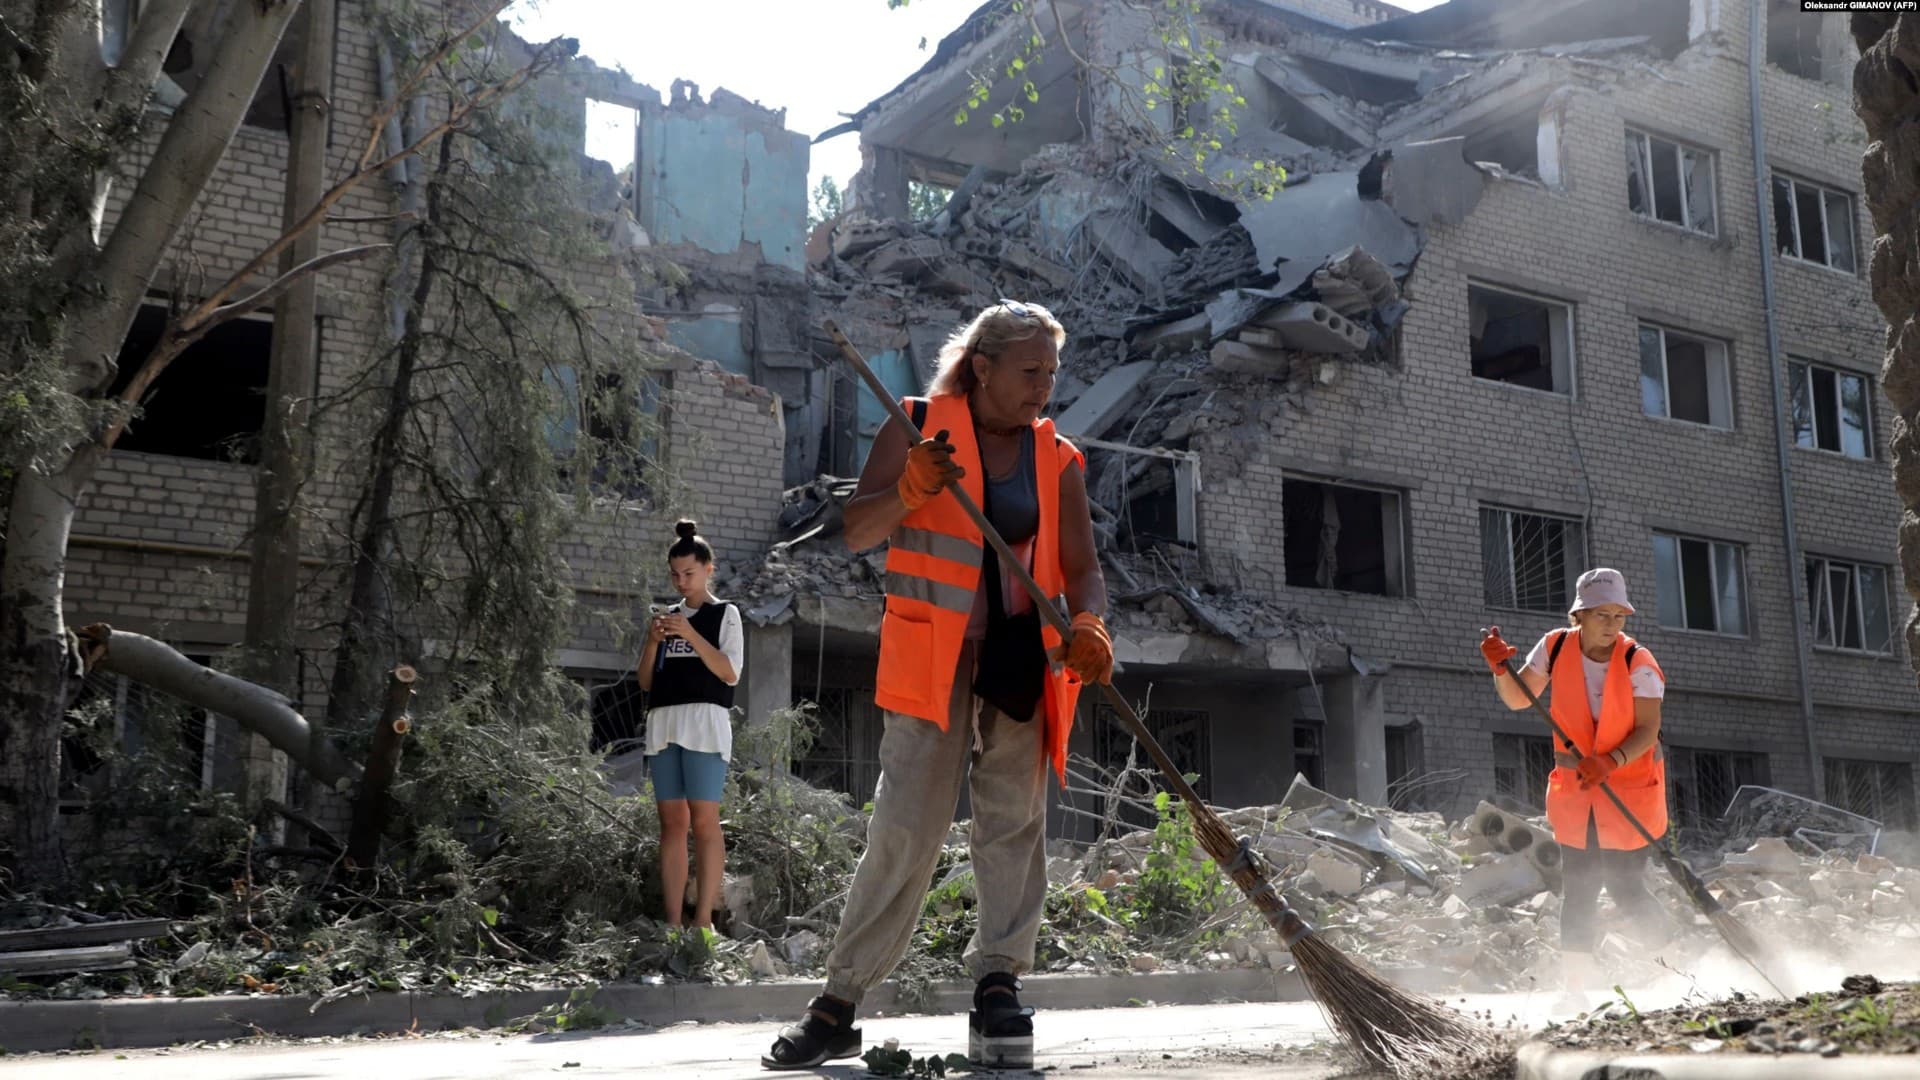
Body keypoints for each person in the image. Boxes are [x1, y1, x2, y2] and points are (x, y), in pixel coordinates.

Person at [762, 301, 1112, 1070]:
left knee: (1014, 824)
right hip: (934, 660)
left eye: (1051, 373)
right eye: (1030, 371)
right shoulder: (918, 424)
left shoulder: (1057, 458)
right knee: (906, 827)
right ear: (982, 367)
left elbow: (1084, 571)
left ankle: (998, 986)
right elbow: (858, 528)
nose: (1043, 388)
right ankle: (840, 1000)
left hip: (1024, 659)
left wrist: (1091, 626)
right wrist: (911, 490)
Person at [1479, 567, 1670, 1009]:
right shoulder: (1555, 646)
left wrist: (1611, 760)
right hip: (1578, 794)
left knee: (1626, 887)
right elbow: (1517, 698)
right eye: (1601, 614)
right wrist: (1499, 668)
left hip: (1631, 790)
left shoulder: (1639, 662)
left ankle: (1671, 970)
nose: (1611, 624)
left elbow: (1647, 730)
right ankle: (1576, 990)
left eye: (1618, 616)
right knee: (1580, 886)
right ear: (1578, 615)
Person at [636, 518, 743, 930]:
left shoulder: (724, 615)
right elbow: (646, 682)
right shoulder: (666, 618)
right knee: (672, 824)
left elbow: (729, 672)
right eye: (675, 575)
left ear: (708, 569)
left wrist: (691, 634)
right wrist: (652, 641)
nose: (682, 582)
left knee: (704, 822)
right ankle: (673, 920)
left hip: (705, 722)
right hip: (664, 723)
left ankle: (703, 921)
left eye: (690, 574)